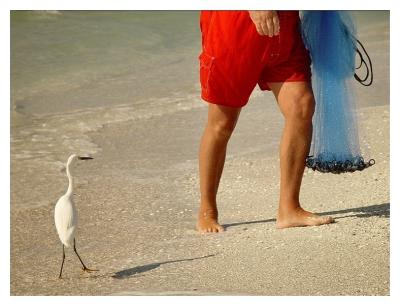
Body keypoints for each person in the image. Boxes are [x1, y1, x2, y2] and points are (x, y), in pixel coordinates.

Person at [197, 10, 335, 233]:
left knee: (301, 105)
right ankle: (207, 210)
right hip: (235, 24)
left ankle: (289, 208)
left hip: (285, 25)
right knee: (222, 123)